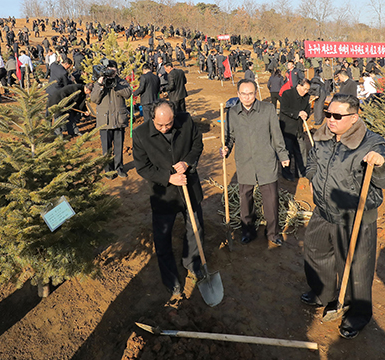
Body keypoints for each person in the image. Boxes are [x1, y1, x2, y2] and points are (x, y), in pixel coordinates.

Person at [301, 94, 385, 339]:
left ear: (354, 117)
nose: (330, 119)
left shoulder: (371, 142)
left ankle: (357, 314)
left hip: (355, 217)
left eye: (337, 116)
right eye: (328, 114)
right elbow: (312, 161)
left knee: (356, 269)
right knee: (315, 252)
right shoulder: (322, 136)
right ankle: (322, 293)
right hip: (323, 211)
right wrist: (312, 176)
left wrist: (381, 164)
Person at [132, 100, 205, 300]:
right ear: (152, 118)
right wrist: (168, 177)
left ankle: (193, 263)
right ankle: (171, 280)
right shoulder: (140, 134)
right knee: (163, 238)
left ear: (174, 116)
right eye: (160, 125)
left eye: (169, 124)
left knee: (195, 228)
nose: (164, 128)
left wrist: (187, 162)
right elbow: (143, 167)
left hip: (189, 187)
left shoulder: (186, 121)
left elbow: (197, 144)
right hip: (164, 195)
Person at [222, 79, 290, 246]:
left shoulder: (268, 109)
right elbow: (229, 137)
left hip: (266, 161)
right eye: (243, 94)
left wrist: (283, 155)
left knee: (271, 199)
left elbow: (276, 134)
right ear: (238, 94)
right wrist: (226, 148)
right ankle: (247, 231)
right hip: (245, 162)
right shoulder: (232, 113)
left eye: (250, 93)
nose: (247, 97)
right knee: (245, 199)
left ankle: (273, 233)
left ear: (256, 93)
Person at [89, 60, 132, 178]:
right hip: (105, 121)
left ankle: (119, 168)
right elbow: (94, 99)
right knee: (106, 148)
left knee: (118, 147)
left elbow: (128, 93)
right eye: (109, 69)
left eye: (113, 69)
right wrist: (100, 84)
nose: (111, 71)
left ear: (117, 70)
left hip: (119, 120)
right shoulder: (99, 83)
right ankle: (108, 170)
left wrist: (115, 84)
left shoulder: (121, 82)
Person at [279, 78, 311, 181]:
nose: (305, 92)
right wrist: (297, 113)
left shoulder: (306, 97)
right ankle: (286, 173)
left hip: (299, 129)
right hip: (287, 129)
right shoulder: (287, 94)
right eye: (304, 89)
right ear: (298, 86)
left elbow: (307, 109)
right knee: (287, 151)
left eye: (307, 90)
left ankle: (301, 172)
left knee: (301, 151)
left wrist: (306, 114)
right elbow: (284, 109)